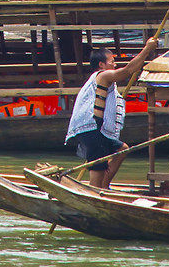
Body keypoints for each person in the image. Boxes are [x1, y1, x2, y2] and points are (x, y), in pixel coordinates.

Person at [64, 34, 159, 187]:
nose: (114, 65)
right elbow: (128, 70)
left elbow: (128, 72)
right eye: (112, 62)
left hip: (98, 129)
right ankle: (95, 194)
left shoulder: (105, 80)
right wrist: (147, 49)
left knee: (122, 149)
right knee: (98, 166)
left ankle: (103, 187)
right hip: (91, 128)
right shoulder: (102, 76)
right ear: (101, 64)